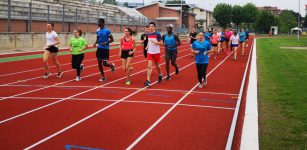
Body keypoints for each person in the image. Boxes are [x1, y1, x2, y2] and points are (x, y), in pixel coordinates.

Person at [144, 22, 163, 87]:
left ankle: (160, 74)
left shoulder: (157, 34)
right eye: (150, 26)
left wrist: (155, 42)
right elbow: (149, 41)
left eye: (152, 26)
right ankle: (148, 81)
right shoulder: (148, 34)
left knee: (157, 65)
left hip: (156, 52)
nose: (151, 27)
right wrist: (147, 46)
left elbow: (161, 43)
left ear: (154, 27)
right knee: (149, 66)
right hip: (149, 52)